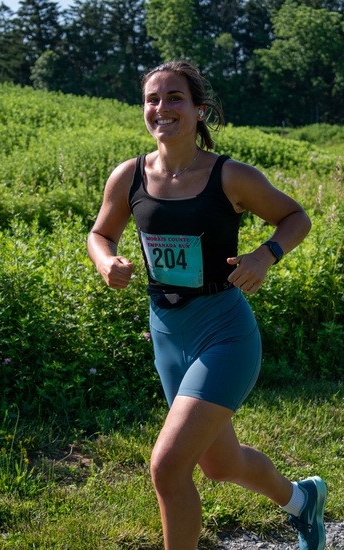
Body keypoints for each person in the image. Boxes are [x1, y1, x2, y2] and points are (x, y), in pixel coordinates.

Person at [87, 60, 327, 550]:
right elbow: (100, 233)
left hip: (224, 333)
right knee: (220, 464)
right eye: (153, 99)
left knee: (168, 466)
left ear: (199, 110)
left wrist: (265, 255)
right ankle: (304, 502)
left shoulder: (230, 176)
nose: (162, 108)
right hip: (167, 334)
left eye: (174, 97)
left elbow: (294, 217)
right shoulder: (129, 176)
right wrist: (106, 261)